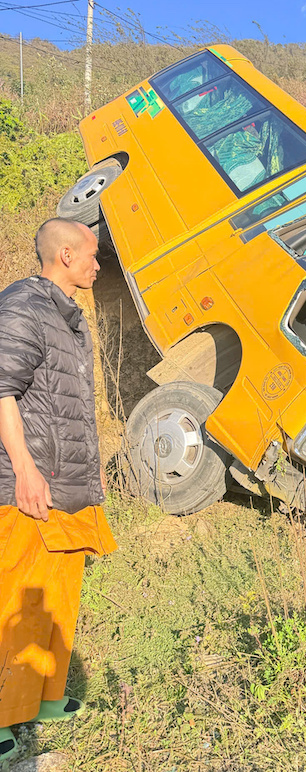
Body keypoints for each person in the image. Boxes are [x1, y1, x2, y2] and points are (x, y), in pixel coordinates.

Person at [0, 218, 117, 765]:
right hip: (30, 484)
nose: (99, 264)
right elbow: (1, 389)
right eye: (93, 255)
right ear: (66, 256)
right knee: (15, 597)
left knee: (58, 589)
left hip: (67, 481)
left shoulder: (67, 315)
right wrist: (23, 468)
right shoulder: (24, 305)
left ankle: (42, 697)